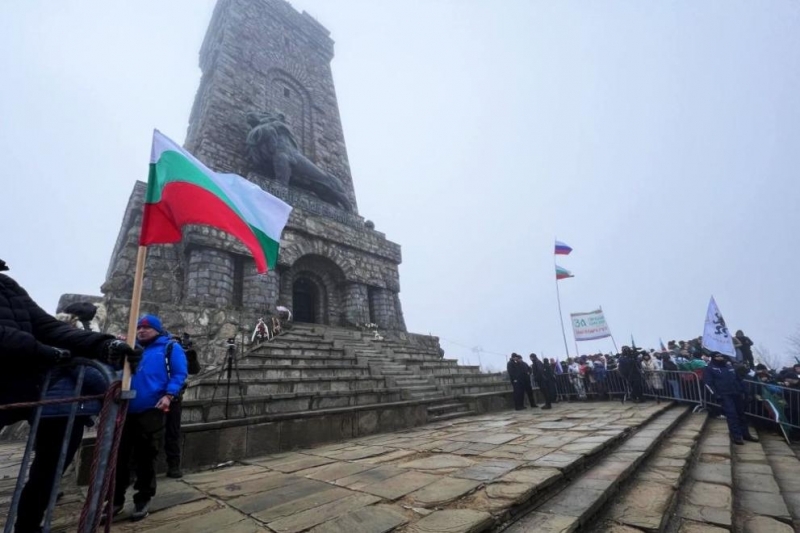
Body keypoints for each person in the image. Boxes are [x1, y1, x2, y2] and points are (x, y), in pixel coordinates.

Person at [0, 259, 137, 533]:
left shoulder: (7, 285)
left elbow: (48, 327)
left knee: (49, 469)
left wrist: (103, 344)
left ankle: (27, 525)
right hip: (22, 383)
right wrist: (45, 352)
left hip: (28, 389)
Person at [112, 315, 187, 522]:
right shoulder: (131, 348)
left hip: (151, 409)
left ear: (156, 329)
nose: (142, 331)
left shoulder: (169, 348)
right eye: (139, 328)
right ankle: (115, 499)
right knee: (120, 457)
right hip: (126, 409)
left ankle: (142, 498)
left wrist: (168, 395)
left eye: (146, 328)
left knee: (146, 457)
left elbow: (180, 373)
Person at [164, 332, 200, 479]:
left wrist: (192, 358)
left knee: (173, 433)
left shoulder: (182, 354)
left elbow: (193, 370)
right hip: (157, 396)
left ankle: (174, 466)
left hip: (175, 399)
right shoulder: (162, 351)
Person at [703, 352, 758, 445]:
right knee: (732, 415)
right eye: (718, 356)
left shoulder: (730, 367)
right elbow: (708, 383)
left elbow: (739, 379)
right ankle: (737, 436)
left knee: (741, 414)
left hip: (736, 393)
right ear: (713, 357)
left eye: (721, 356)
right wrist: (716, 395)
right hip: (724, 395)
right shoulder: (709, 368)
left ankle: (746, 434)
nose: (720, 357)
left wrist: (746, 392)